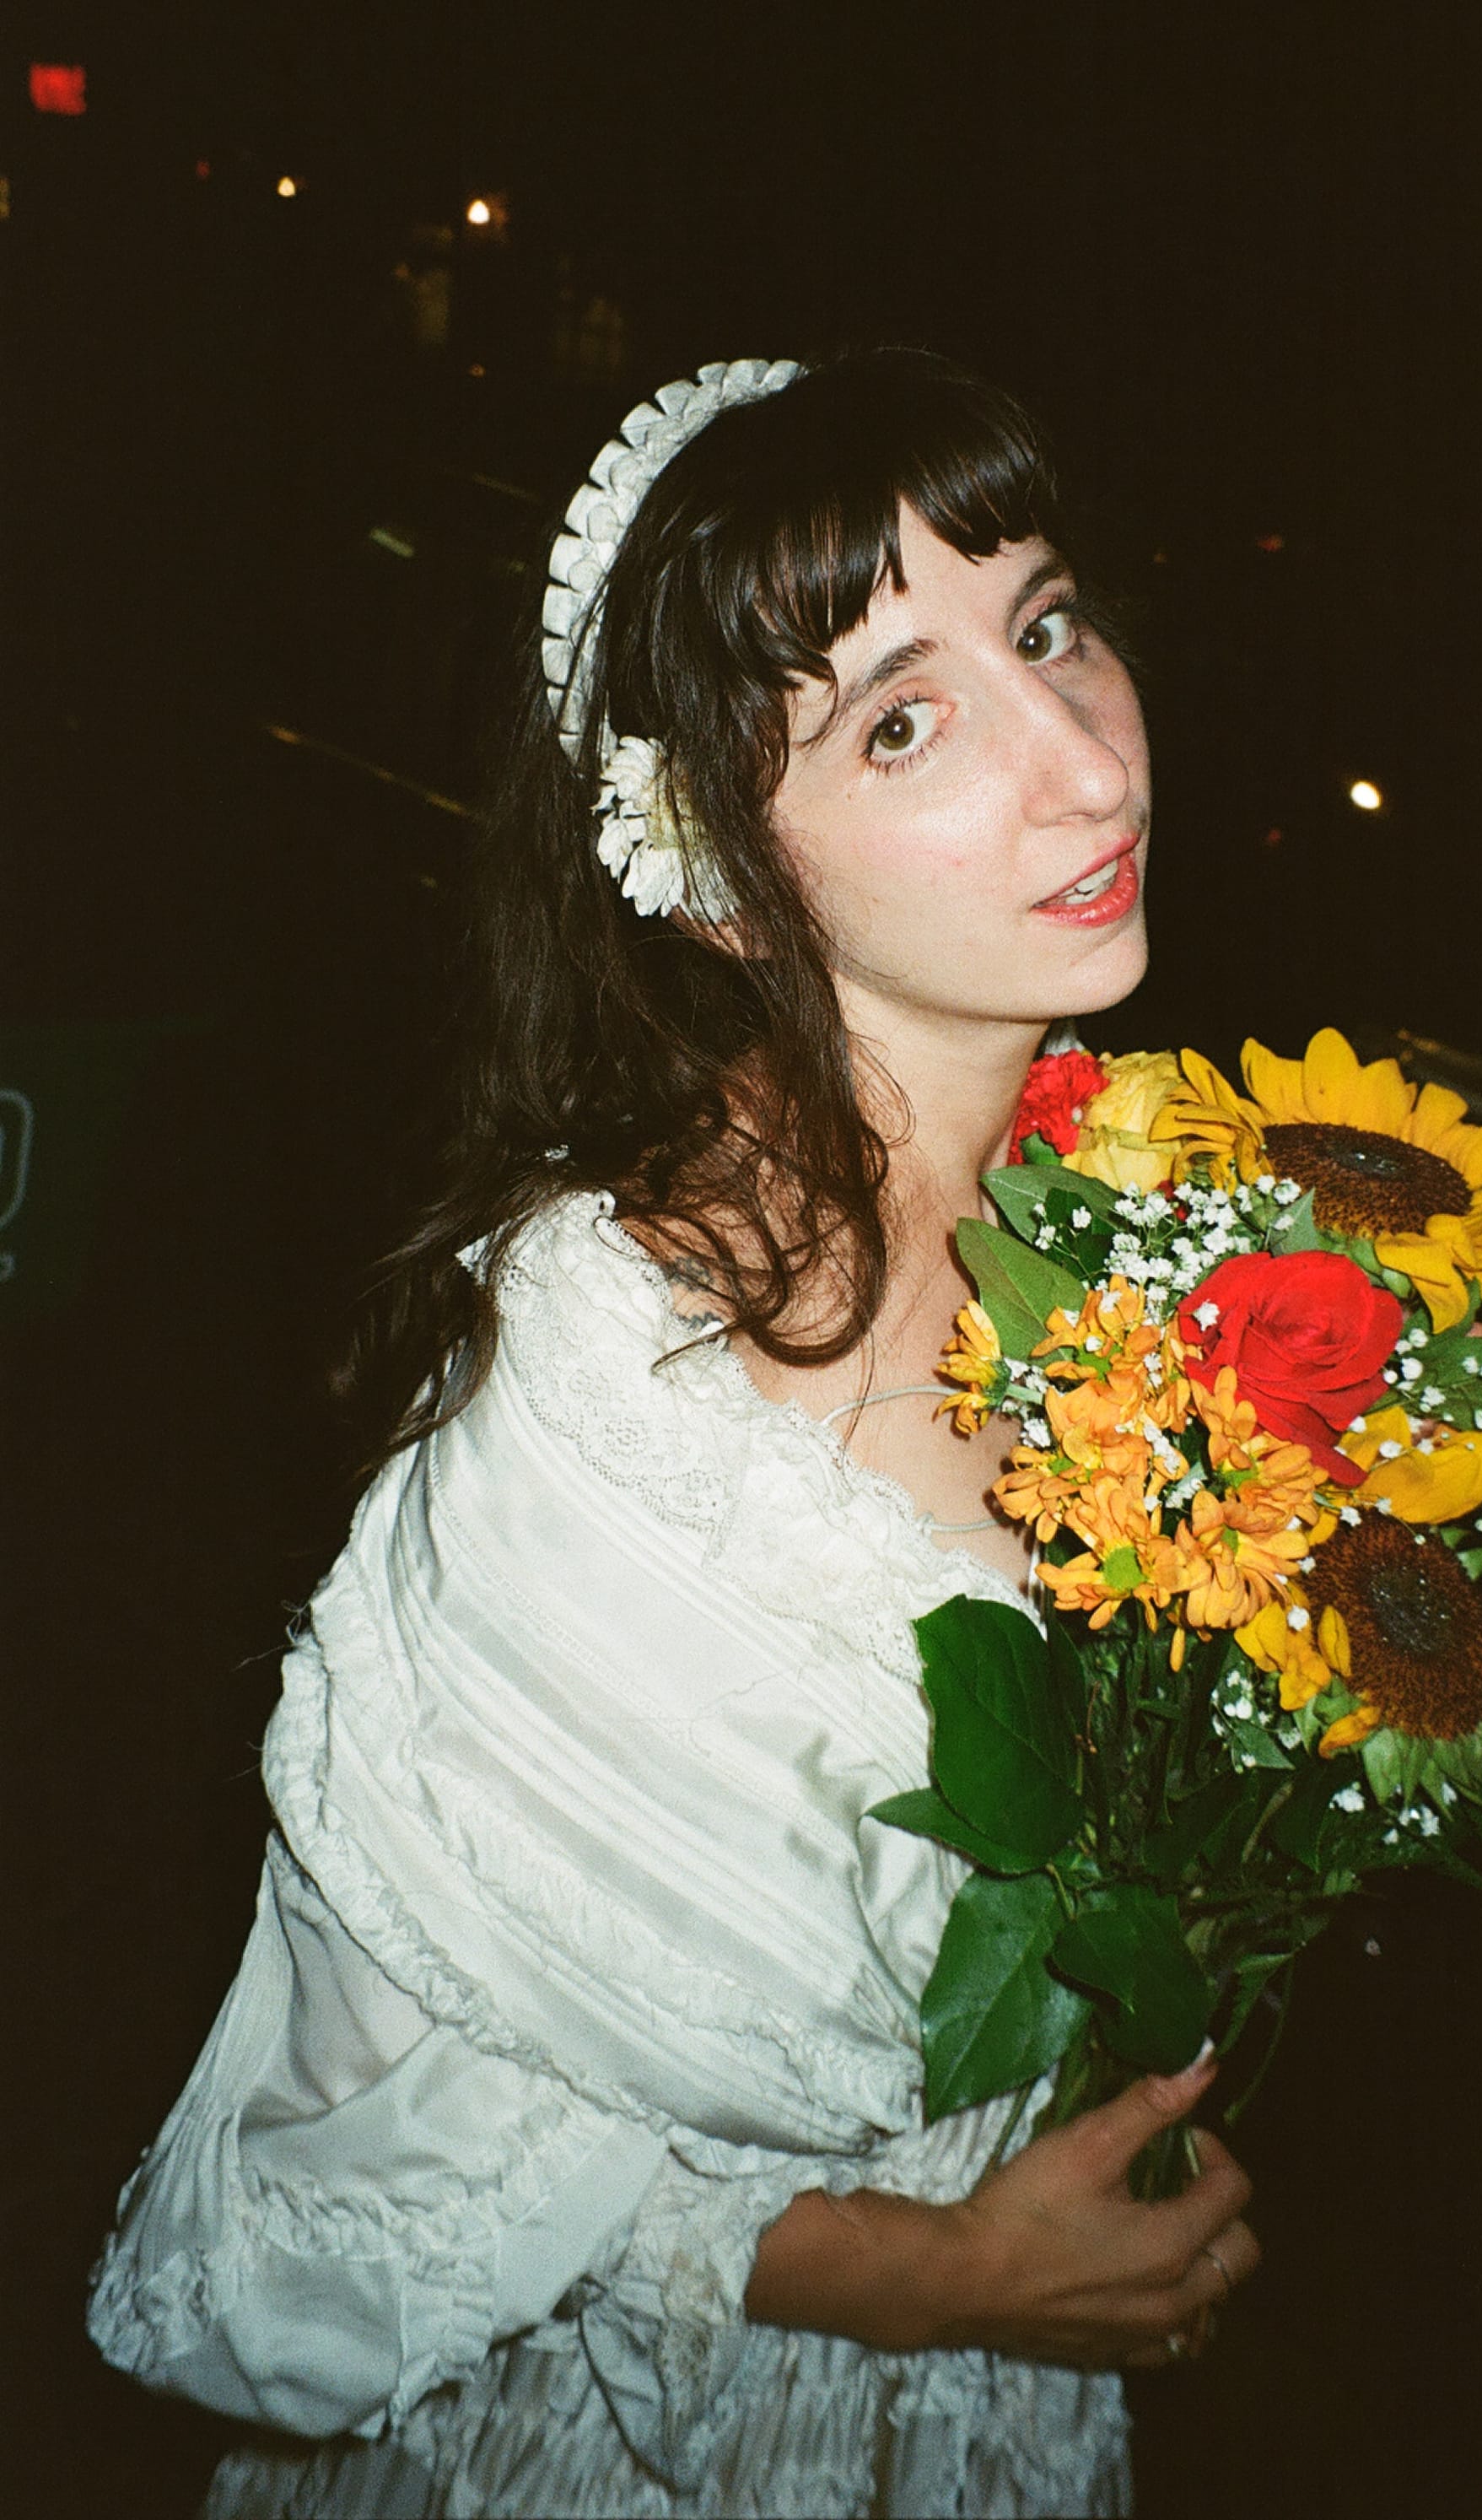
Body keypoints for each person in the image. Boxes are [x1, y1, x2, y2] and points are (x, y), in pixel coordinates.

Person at [89, 348, 1259, 2519]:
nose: (1085, 766)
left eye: (1045, 625)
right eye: (902, 721)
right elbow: (353, 2154)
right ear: (715, 868)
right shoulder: (623, 1386)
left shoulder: (1138, 1233)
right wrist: (935, 2270)